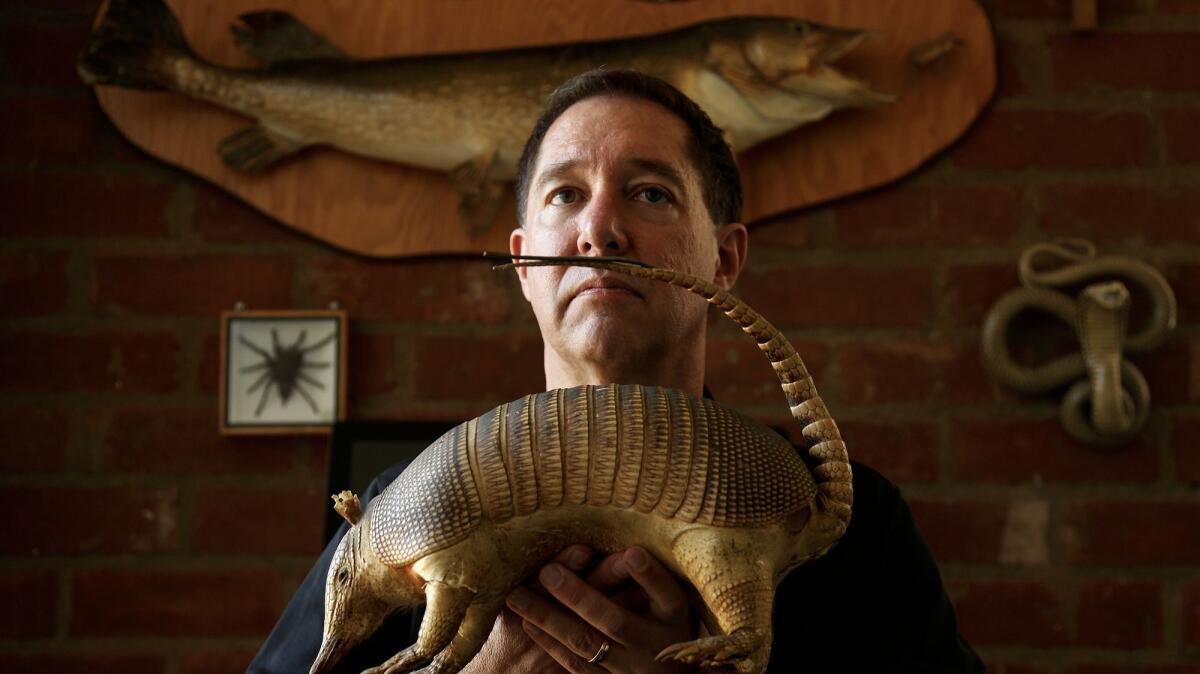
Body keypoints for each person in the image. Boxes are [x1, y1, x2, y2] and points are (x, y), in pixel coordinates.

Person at [248, 69, 984, 674]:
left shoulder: (849, 522)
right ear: (523, 265)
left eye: (650, 193)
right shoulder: (400, 507)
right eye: (565, 194)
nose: (599, 230)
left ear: (723, 260)